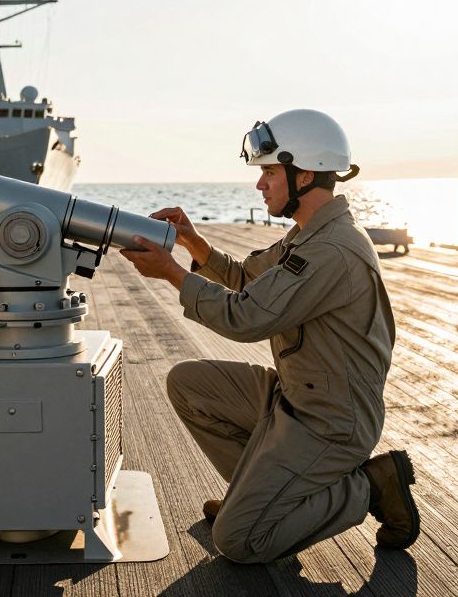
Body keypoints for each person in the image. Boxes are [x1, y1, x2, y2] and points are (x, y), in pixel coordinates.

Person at [118, 109, 418, 563]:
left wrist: (173, 274)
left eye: (270, 172)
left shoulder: (332, 250)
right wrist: (192, 242)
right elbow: (246, 279)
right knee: (187, 384)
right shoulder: (308, 236)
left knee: (238, 542)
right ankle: (255, 502)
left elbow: (247, 318)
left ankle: (370, 487)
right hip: (293, 397)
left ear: (305, 175)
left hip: (332, 421)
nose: (260, 185)